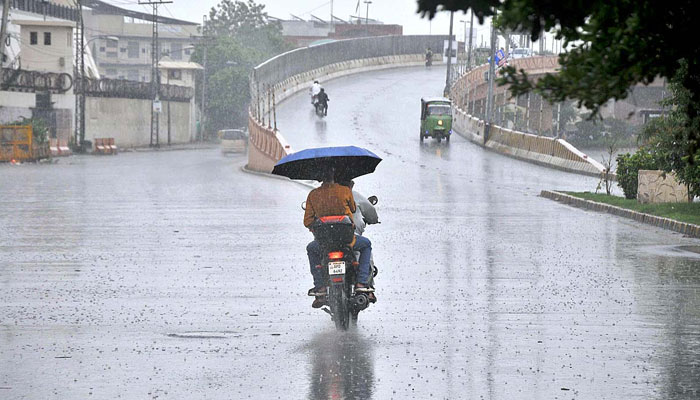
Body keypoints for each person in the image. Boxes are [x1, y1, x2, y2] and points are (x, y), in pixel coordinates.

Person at [304, 170, 373, 308]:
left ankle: (320, 287)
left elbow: (307, 221)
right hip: (347, 240)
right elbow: (353, 208)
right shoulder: (344, 190)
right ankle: (361, 283)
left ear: (320, 179)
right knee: (366, 245)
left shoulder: (313, 195)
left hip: (324, 243)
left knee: (311, 249)